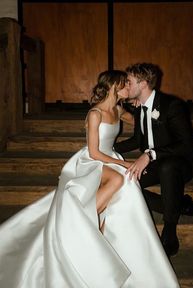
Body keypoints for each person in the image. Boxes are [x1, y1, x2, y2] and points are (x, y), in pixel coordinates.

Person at [0, 70, 180, 287]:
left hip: (109, 158)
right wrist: (123, 163)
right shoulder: (95, 113)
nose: (128, 88)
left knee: (128, 184)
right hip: (92, 160)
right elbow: (94, 153)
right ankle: (84, 225)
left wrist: (156, 122)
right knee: (118, 179)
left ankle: (116, 237)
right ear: (114, 86)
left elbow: (141, 123)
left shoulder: (118, 109)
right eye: (124, 85)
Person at [114, 63, 193, 257]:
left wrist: (149, 155)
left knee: (168, 167)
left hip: (181, 163)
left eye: (129, 82)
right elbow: (137, 141)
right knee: (124, 185)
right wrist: (109, 149)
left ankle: (170, 229)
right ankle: (181, 205)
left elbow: (185, 145)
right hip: (158, 162)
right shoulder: (139, 109)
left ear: (143, 83)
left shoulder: (172, 105)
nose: (126, 85)